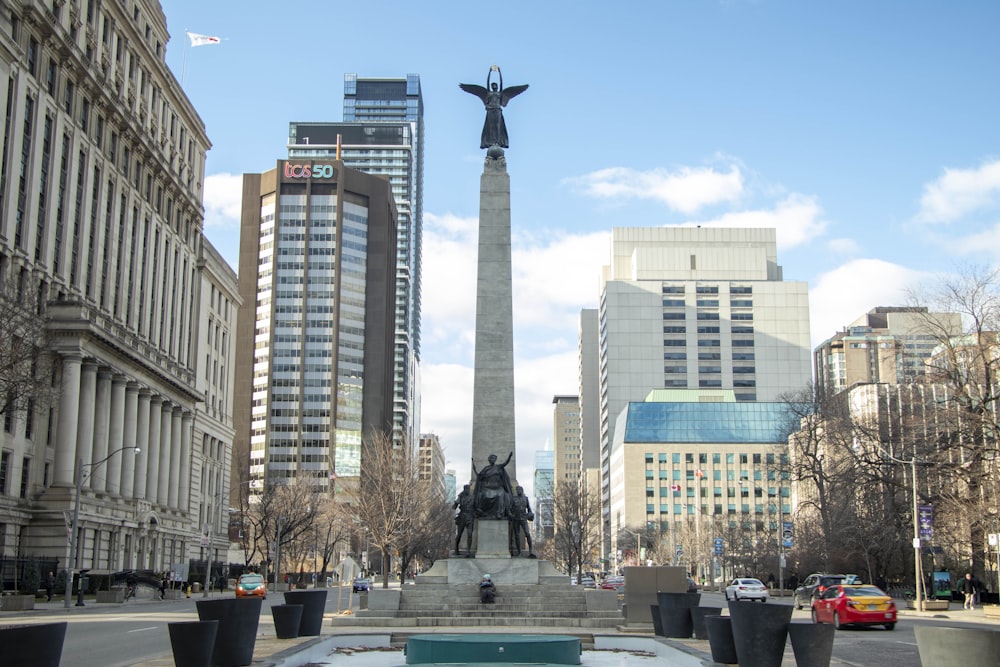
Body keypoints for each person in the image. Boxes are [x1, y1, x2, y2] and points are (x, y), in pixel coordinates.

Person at [459, 67, 529, 150]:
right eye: (493, 85)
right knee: (490, 126)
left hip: (497, 109)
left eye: (495, 85)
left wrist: (499, 72)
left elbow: (501, 83)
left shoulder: (500, 93)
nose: (494, 86)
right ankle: (491, 142)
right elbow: (487, 82)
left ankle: (498, 142)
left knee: (497, 126)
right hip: (490, 110)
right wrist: (489, 72)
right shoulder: (488, 92)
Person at [472, 452, 514, 520]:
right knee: (484, 495)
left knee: (501, 495)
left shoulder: (498, 467)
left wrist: (509, 457)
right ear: (489, 460)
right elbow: (480, 476)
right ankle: (482, 512)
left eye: (494, 458)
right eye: (491, 458)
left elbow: (506, 463)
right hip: (488, 488)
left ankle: (499, 513)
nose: (493, 459)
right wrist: (474, 470)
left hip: (498, 487)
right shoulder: (486, 468)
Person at [509, 486, 535, 557]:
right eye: (517, 490)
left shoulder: (525, 499)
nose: (518, 491)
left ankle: (530, 551)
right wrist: (511, 515)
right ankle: (519, 552)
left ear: (522, 490)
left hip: (523, 518)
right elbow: (509, 509)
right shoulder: (513, 499)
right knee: (517, 535)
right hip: (516, 519)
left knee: (527, 533)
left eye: (520, 490)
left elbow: (529, 509)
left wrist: (530, 515)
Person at [454, 484, 476, 556]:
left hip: (470, 517)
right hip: (462, 516)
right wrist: (458, 499)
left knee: (469, 534)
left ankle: (468, 551)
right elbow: (454, 506)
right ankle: (456, 548)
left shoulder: (473, 497)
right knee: (459, 534)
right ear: (464, 489)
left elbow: (476, 507)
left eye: (468, 489)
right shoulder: (461, 497)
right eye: (466, 489)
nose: (467, 490)